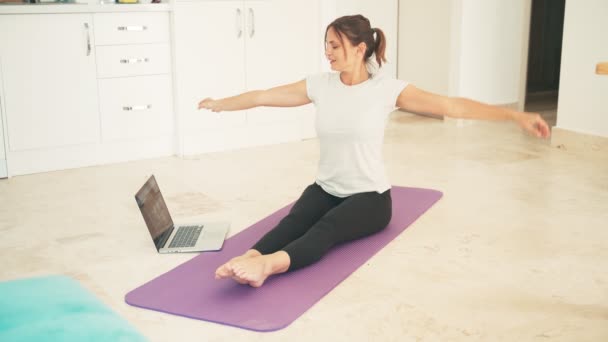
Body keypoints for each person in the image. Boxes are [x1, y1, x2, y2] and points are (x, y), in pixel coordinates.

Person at [198, 15, 550, 288]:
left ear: (360, 48)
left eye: (335, 45)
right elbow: (263, 95)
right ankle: (250, 256)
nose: (328, 52)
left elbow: (451, 105)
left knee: (326, 229)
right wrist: (220, 104)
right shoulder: (319, 85)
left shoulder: (386, 89)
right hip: (326, 187)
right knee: (294, 221)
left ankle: (265, 268)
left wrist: (514, 115)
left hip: (369, 197)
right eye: (327, 45)